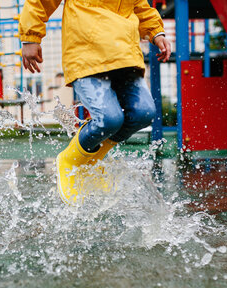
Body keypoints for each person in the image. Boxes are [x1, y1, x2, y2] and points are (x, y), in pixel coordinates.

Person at [19, 0, 172, 205]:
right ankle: (69, 160)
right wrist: (31, 37)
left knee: (143, 112)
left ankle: (92, 159)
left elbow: (141, 6)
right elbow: (39, 2)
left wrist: (156, 32)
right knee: (109, 119)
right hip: (87, 57)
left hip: (125, 56)